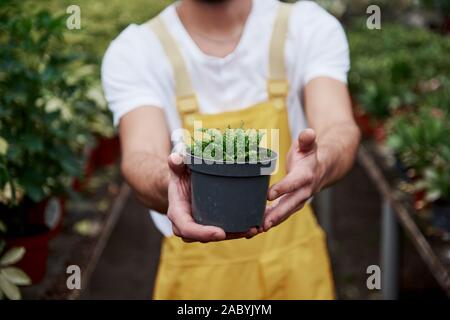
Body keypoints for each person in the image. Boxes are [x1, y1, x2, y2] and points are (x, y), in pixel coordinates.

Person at [102, 0, 360, 299]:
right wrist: (173, 185)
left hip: (293, 266)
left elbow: (338, 127)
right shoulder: (136, 50)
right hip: (197, 276)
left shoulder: (306, 26)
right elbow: (139, 155)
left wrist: (320, 164)